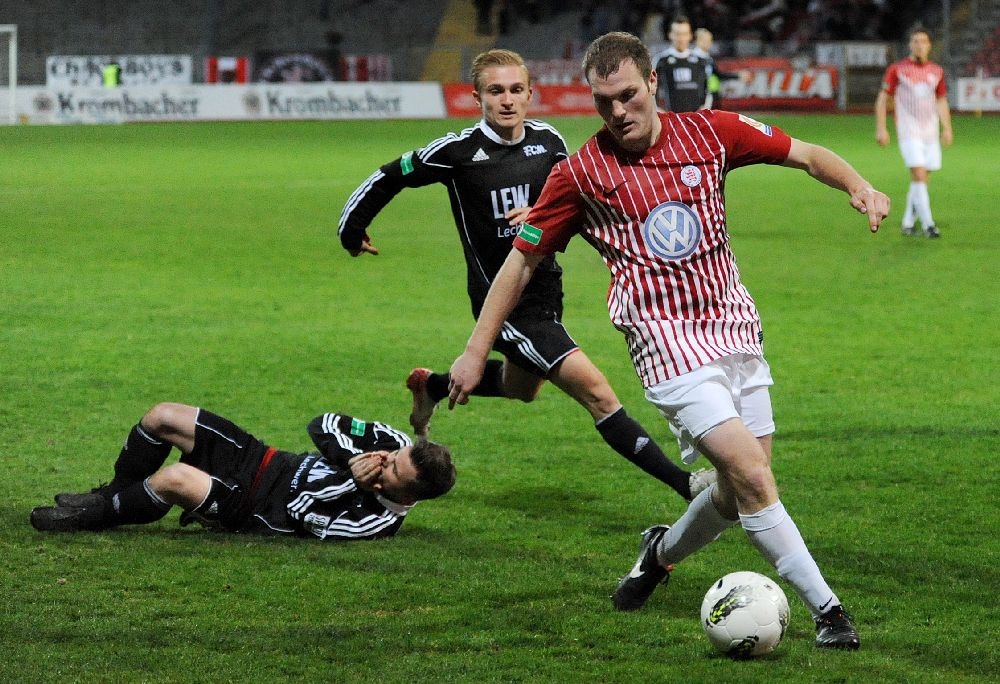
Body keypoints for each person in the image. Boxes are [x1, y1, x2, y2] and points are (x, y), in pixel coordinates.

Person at [448, 32, 891, 649]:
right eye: (603, 102)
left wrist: (859, 185)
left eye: (628, 95)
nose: (618, 112)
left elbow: (806, 153)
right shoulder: (579, 173)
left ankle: (658, 554)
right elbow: (520, 263)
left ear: (653, 82)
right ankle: (829, 612)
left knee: (737, 492)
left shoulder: (711, 132)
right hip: (665, 345)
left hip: (734, 327)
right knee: (753, 477)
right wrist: (476, 350)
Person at [338, 48, 713, 502]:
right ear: (476, 97)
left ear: (530, 94)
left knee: (522, 389)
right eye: (496, 91)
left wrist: (540, 211)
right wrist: (351, 231)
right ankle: (687, 485)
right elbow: (390, 175)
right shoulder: (457, 153)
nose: (507, 100)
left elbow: (574, 199)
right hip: (506, 307)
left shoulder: (548, 142)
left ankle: (431, 385)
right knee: (598, 394)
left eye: (516, 89)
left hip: (547, 291)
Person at [30, 402, 456, 540]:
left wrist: (352, 482)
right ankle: (112, 495)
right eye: (393, 455)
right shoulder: (393, 443)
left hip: (252, 505)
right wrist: (348, 460)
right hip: (260, 458)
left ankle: (95, 515)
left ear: (407, 495)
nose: (384, 459)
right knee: (162, 416)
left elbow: (300, 512)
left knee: (173, 479)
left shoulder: (374, 522)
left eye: (392, 470)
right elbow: (324, 423)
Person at [875, 26, 953, 238]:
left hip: (930, 132)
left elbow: (941, 100)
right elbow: (882, 99)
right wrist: (881, 128)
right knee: (918, 175)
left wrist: (947, 127)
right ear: (910, 44)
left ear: (929, 45)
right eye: (915, 41)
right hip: (908, 130)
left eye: (923, 41)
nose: (919, 45)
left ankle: (908, 223)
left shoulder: (937, 71)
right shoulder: (897, 69)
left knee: (921, 180)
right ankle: (929, 225)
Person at [652, 15, 712, 112]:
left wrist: (705, 108)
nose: (681, 38)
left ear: (690, 35)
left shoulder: (700, 61)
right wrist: (656, 109)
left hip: (695, 117)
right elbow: (651, 87)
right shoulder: (661, 60)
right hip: (672, 117)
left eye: (684, 34)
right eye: (677, 34)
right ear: (670, 35)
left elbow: (708, 88)